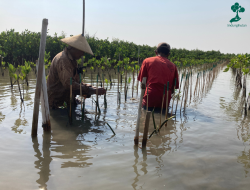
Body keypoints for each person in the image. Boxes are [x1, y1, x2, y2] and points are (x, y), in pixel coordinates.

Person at [47, 34, 106, 109]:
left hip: (67, 100)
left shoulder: (72, 60)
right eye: (82, 51)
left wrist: (93, 88)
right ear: (73, 48)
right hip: (57, 103)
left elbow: (76, 82)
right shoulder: (63, 60)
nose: (83, 54)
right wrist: (91, 90)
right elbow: (69, 84)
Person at [137, 42, 179, 113]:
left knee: (146, 119)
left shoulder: (147, 61)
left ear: (156, 52)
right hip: (165, 99)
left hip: (150, 97)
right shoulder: (173, 66)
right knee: (161, 120)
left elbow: (143, 83)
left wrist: (143, 100)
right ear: (168, 54)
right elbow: (173, 88)